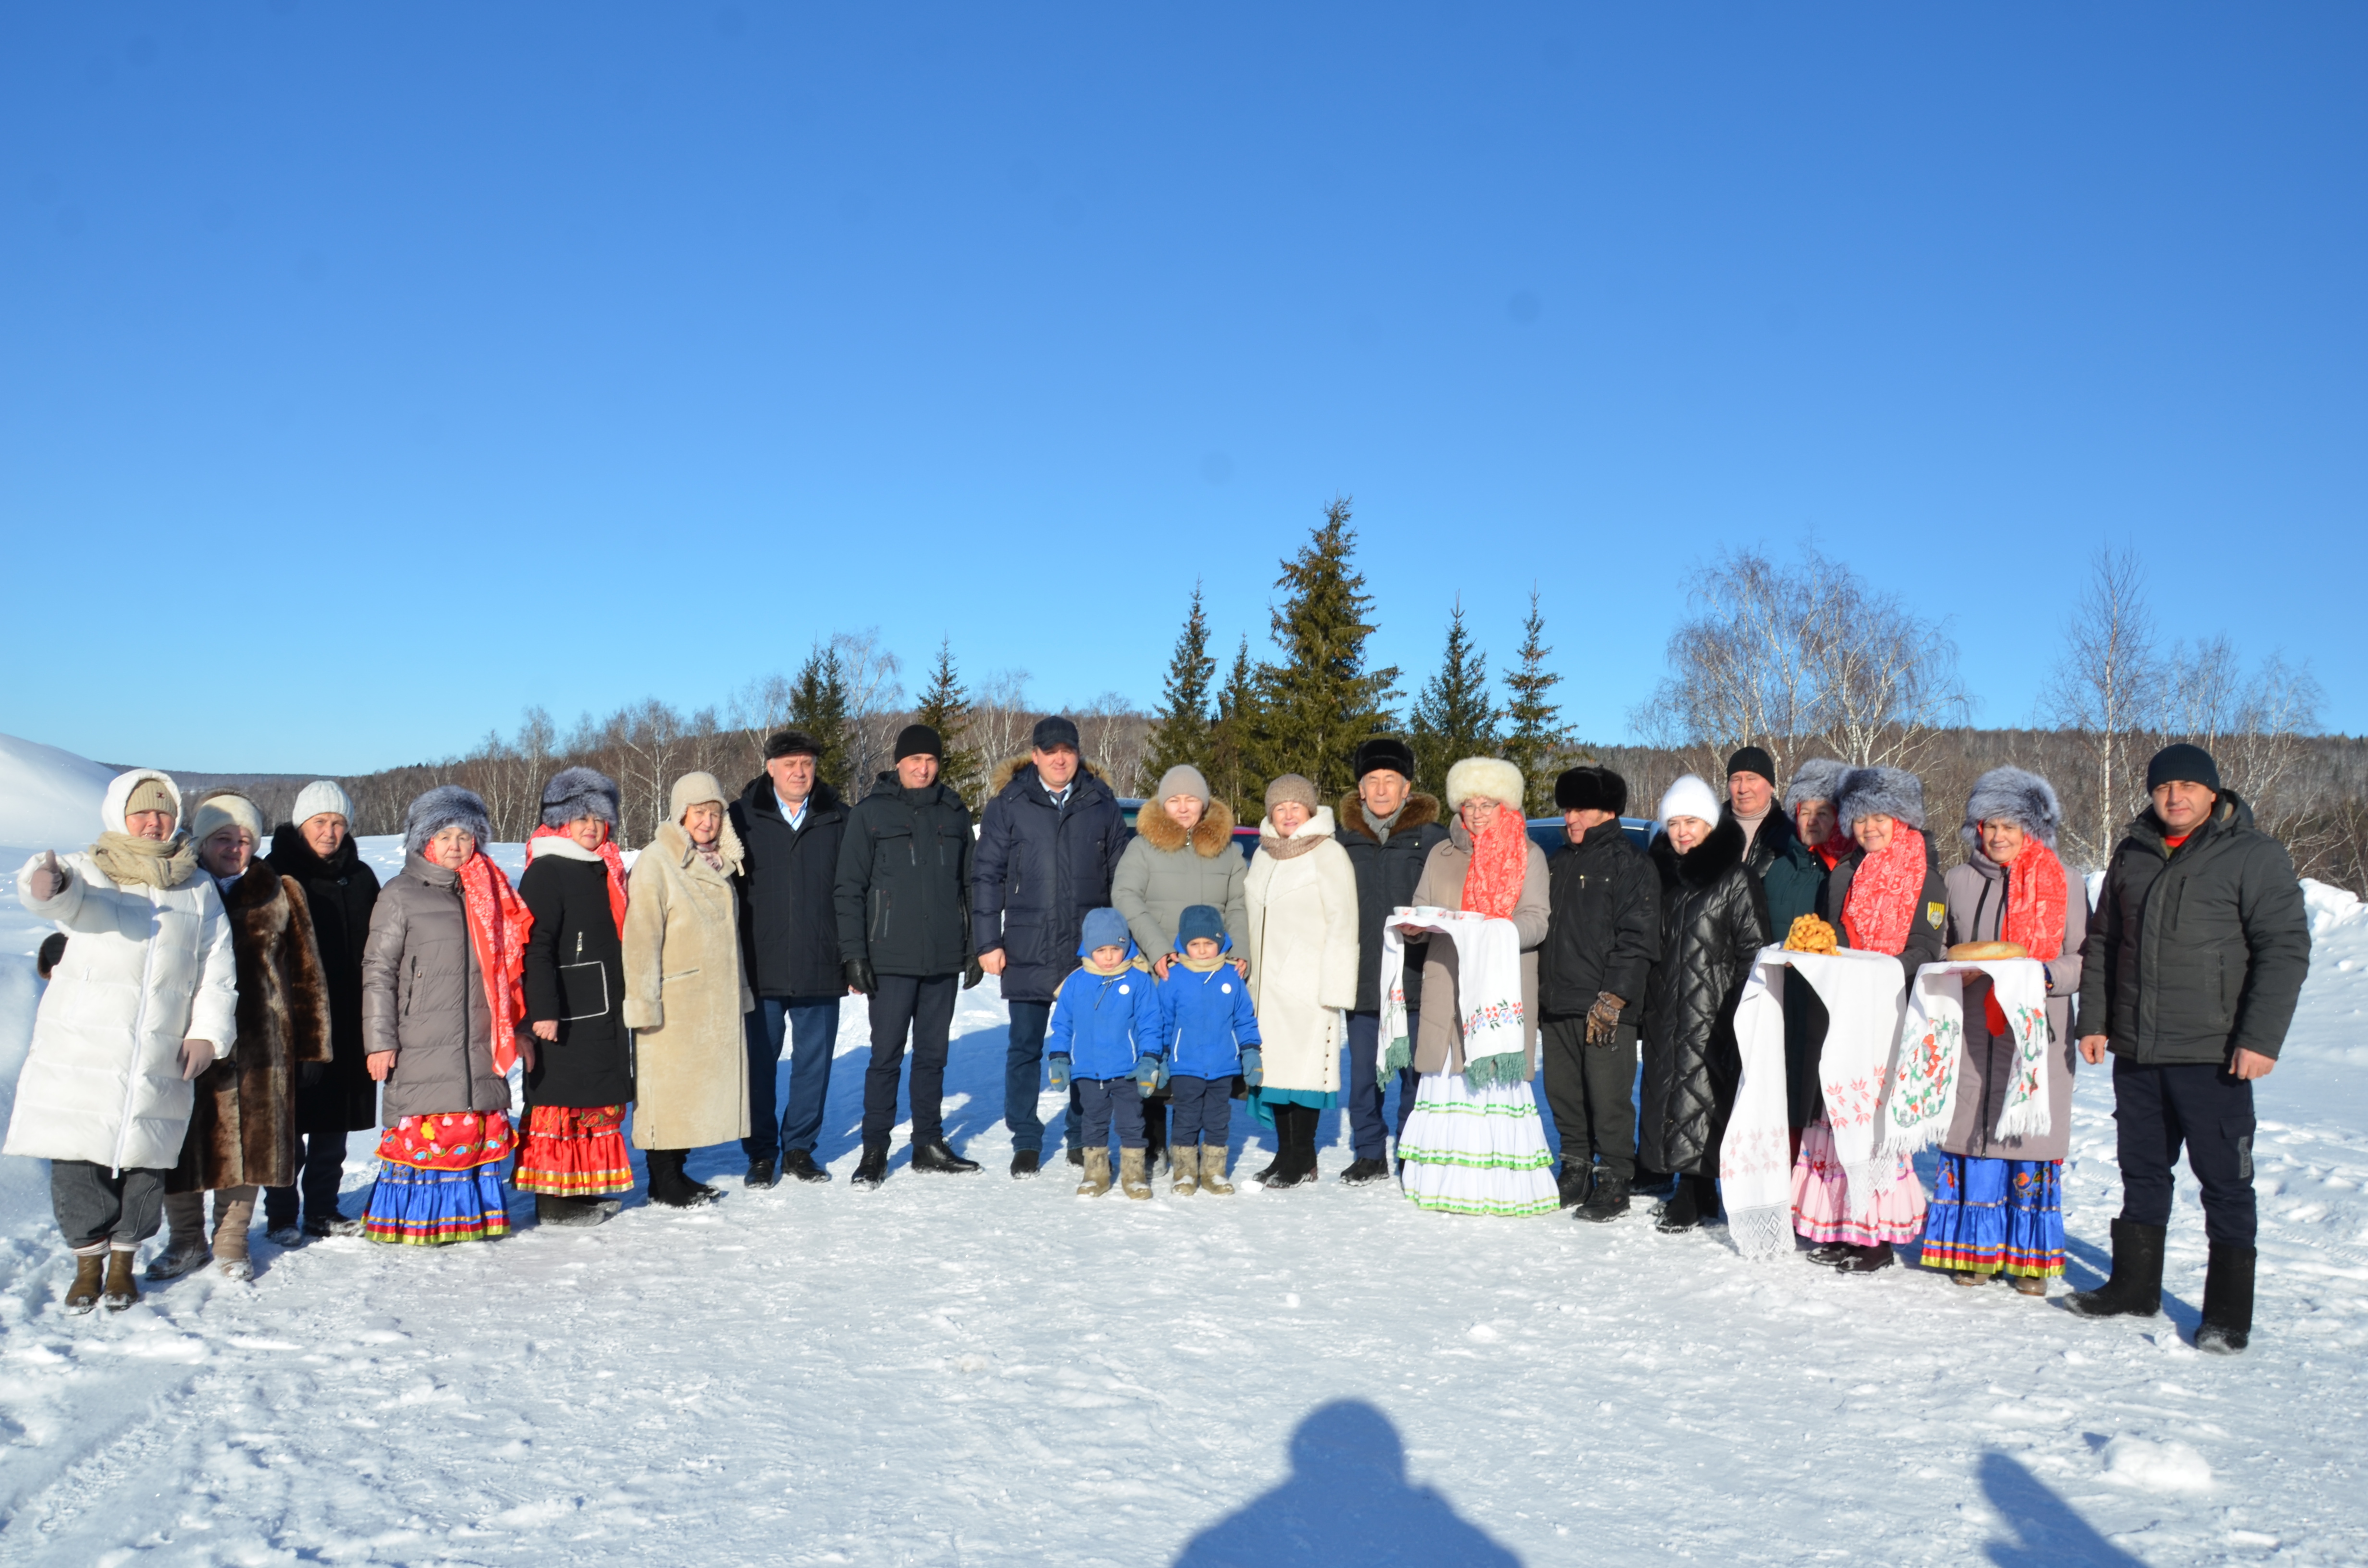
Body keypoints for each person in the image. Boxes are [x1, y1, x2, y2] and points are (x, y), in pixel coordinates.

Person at [2069, 743, 2311, 1354]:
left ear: (2211, 793)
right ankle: (2132, 1288)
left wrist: (2258, 1038)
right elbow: (2102, 944)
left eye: (2185, 786)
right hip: (2138, 1050)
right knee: (2141, 1172)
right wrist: (2093, 1022)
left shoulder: (2252, 856)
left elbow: (2283, 949)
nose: (2173, 797)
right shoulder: (2131, 853)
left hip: (2214, 1054)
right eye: (2161, 788)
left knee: (2225, 1182)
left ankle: (2227, 1315)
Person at [6, 770, 236, 1312]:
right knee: (77, 1156)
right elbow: (59, 898)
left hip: (159, 1047)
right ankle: (88, 1262)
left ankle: (123, 1265)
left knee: (144, 1161)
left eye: (163, 811)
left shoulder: (196, 885)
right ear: (119, 815)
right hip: (85, 1046)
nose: (154, 821)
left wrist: (208, 1033)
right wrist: (42, 886)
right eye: (143, 811)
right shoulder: (94, 869)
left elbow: (216, 968)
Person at [152, 792, 333, 1281]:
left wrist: (314, 1047)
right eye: (223, 839)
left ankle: (231, 1240)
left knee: (251, 1144)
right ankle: (185, 1240)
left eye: (244, 839)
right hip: (184, 1035)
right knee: (183, 1141)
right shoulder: (176, 888)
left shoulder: (280, 889)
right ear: (202, 841)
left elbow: (306, 972)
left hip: (262, 1042)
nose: (234, 848)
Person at [1923, 767, 2089, 1295]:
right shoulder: (1957, 879)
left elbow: (2083, 959)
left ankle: (2027, 1262)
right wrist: (1956, 965)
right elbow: (1938, 946)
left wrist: (2043, 975)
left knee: (2026, 1137)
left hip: (2036, 1030)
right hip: (1972, 1028)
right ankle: (1971, 1253)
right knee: (1970, 1135)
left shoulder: (2064, 881)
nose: (1996, 836)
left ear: (2032, 829)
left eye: (2008, 826)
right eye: (1987, 824)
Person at [358, 787, 530, 1247]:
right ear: (423, 841)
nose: (457, 845)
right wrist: (380, 1041)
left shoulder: (489, 893)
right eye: (444, 835)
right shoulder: (400, 894)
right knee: (432, 1132)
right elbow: (378, 972)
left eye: (466, 835)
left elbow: (507, 969)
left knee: (472, 1129)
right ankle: (418, 1222)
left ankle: (468, 1220)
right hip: (420, 1041)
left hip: (476, 1040)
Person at [1788, 765, 1943, 1272]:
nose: (1869, 828)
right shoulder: (1845, 872)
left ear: (1901, 820)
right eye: (1859, 819)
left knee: (1870, 1123)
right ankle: (1840, 1228)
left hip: (1887, 1010)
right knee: (1835, 1115)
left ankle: (1874, 1238)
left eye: (1880, 817)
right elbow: (1835, 938)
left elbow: (1923, 947)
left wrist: (1877, 974)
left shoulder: (1927, 874)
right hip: (1842, 1010)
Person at [1394, 759, 1558, 1217]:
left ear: (1506, 805)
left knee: (1488, 1083)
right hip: (1447, 979)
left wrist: (1494, 933)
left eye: (1489, 804)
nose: (1479, 813)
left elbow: (1537, 921)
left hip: (1498, 986)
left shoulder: (1530, 855)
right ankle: (1441, 1184)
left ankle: (1497, 1187)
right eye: (1470, 804)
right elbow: (1424, 907)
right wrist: (1415, 926)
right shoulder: (1441, 854)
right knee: (1449, 1078)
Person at [973, 715, 1131, 1179]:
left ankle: (1081, 1134)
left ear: (1077, 753)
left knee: (1089, 1048)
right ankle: (1025, 1137)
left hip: (1089, 951)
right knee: (1024, 1047)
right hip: (1027, 944)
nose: (1060, 758)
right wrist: (988, 941)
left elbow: (1121, 880)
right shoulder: (1009, 804)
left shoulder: (1101, 804)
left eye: (1068, 750)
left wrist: (1122, 943)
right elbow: (986, 876)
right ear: (1036, 755)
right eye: (1050, 750)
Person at [834, 724, 984, 1187]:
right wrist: (854, 954)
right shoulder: (871, 814)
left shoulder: (955, 814)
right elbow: (849, 889)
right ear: (898, 763)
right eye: (915, 760)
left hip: (942, 956)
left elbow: (971, 885)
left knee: (933, 1056)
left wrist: (976, 945)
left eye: (931, 760)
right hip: (890, 957)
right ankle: (875, 1148)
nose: (923, 768)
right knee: (886, 1057)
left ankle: (928, 1143)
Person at [1637, 774, 1770, 1234]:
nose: (1682, 832)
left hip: (1715, 1008)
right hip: (1664, 1005)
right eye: (1673, 823)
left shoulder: (1735, 878)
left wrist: (1740, 1007)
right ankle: (1685, 1181)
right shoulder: (1659, 876)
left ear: (1710, 824)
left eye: (1691, 821)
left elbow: (1754, 950)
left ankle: (1696, 1190)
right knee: (1669, 1092)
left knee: (1707, 1096)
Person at [623, 772, 755, 1207]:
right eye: (700, 813)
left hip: (713, 1001)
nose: (708, 822)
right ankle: (662, 1179)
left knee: (694, 1092)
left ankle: (676, 1174)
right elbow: (641, 938)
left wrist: (740, 990)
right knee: (667, 1094)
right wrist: (643, 1003)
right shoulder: (656, 861)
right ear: (681, 815)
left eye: (715, 813)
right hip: (673, 1002)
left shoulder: (724, 862)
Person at [515, 768, 636, 1227]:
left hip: (600, 1008)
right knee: (561, 1102)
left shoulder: (603, 867)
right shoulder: (547, 869)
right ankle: (553, 1202)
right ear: (560, 822)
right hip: (563, 1012)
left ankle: (579, 1192)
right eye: (581, 818)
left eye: (599, 819)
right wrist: (541, 1011)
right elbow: (536, 945)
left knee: (592, 1101)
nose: (591, 827)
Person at [1538, 764, 1659, 1221]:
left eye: (1581, 810)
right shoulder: (1557, 864)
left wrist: (1614, 999)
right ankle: (1574, 1167)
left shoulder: (1631, 864)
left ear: (1608, 811)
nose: (1571, 819)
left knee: (1608, 1097)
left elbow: (1639, 938)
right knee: (1563, 1092)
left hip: (1605, 1006)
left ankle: (1613, 1177)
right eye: (1567, 810)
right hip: (1559, 1000)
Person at [262, 781, 382, 1241]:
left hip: (350, 1018)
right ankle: (281, 1216)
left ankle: (322, 1210)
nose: (330, 832)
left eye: (338, 823)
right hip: (291, 1019)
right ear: (301, 824)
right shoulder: (275, 873)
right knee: (288, 1128)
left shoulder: (362, 876)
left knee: (334, 1129)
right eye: (320, 823)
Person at [730, 729, 848, 1189]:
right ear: (770, 768)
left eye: (807, 764)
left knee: (813, 1065)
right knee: (760, 1064)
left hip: (822, 960)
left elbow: (853, 891)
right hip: (762, 963)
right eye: (790, 764)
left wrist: (852, 955)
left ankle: (799, 1148)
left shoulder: (838, 817)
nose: (800, 772)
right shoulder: (741, 818)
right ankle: (761, 1153)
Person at [1333, 736, 1450, 1186]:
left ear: (1408, 788)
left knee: (1412, 1074)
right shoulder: (1342, 841)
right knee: (1363, 1074)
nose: (1381, 790)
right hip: (1362, 977)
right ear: (1360, 789)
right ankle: (1368, 1152)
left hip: (1415, 977)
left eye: (1391, 781)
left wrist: (1428, 929)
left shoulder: (1434, 840)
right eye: (1372, 781)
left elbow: (1450, 902)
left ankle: (1410, 1149)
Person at [1242, 774, 1358, 1188]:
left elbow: (1344, 922)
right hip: (1264, 987)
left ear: (1310, 810)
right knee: (1274, 1074)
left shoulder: (1328, 854)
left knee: (1305, 1076)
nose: (1288, 814)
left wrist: (1336, 987)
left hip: (1308, 984)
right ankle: (1287, 1153)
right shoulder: (1263, 854)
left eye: (1296, 806)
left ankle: (1299, 1155)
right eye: (1280, 807)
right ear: (1270, 813)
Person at [1044, 908, 1163, 1198]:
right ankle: (1095, 1174)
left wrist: (1149, 1059)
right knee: (1093, 1122)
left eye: (1116, 949)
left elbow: (1151, 1022)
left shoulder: (1139, 980)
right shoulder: (1076, 982)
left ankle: (1134, 1175)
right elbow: (1062, 1023)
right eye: (1101, 950)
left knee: (1132, 1123)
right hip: (1088, 1069)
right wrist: (1059, 1056)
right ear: (1088, 948)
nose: (1109, 957)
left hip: (1127, 1070)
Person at [1154, 904, 1262, 1196]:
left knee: (1218, 1120)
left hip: (1222, 1064)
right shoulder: (1172, 978)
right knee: (1187, 1118)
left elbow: (1244, 1018)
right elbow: (1162, 1021)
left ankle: (1214, 1171)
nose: (1202, 950)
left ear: (1221, 942)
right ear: (1184, 944)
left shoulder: (1231, 977)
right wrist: (1161, 1056)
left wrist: (1251, 1050)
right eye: (1195, 944)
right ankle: (1185, 1172)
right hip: (1185, 1065)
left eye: (1209, 944)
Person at [1775, 759, 1850, 1150]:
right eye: (1805, 811)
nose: (1812, 820)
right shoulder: (1780, 868)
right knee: (1780, 1091)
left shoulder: (1846, 869)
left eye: (1823, 812)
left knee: (1815, 1094)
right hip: (1780, 995)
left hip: (1824, 1000)